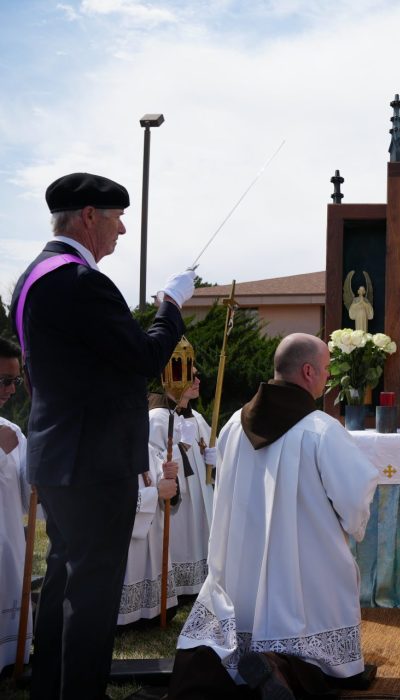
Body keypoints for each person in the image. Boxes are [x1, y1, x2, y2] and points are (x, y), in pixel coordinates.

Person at [10, 172, 195, 699]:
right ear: (88, 216)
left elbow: (88, 364)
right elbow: (141, 357)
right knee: (91, 597)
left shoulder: (34, 276)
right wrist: (171, 306)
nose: (121, 229)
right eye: (115, 218)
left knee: (66, 583)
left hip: (63, 455)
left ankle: (52, 688)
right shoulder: (79, 281)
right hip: (93, 462)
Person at [171, 333, 379, 699]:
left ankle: (254, 660)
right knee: (332, 577)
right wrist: (351, 523)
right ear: (309, 371)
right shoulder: (321, 430)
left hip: (241, 568)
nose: (329, 376)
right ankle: (291, 666)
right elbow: (355, 495)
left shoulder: (235, 423)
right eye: (327, 368)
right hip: (304, 565)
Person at [148, 367, 215, 598]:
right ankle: (178, 586)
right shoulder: (157, 418)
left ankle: (200, 583)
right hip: (177, 502)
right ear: (174, 379)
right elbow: (152, 464)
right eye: (191, 376)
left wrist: (214, 459)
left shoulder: (195, 418)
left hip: (199, 494)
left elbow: (209, 454)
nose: (198, 380)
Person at [116, 450, 179, 625]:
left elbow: (167, 494)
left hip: (154, 533)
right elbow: (111, 501)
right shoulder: (108, 448)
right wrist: (156, 492)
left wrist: (170, 477)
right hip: (123, 540)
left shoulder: (147, 449)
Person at [0, 338, 31, 673]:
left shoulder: (14, 432)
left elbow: (28, 499)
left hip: (9, 541)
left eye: (15, 381)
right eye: (4, 381)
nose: (11, 390)